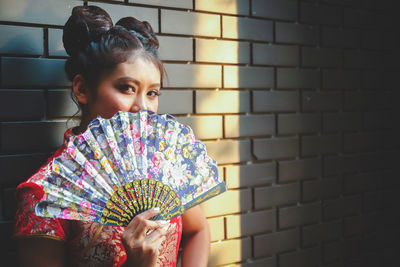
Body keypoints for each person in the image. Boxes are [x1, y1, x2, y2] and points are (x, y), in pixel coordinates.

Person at [14, 5, 210, 267]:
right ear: (82, 88)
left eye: (152, 93)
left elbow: (198, 230)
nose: (143, 107)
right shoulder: (44, 193)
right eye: (127, 88)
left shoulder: (160, 165)